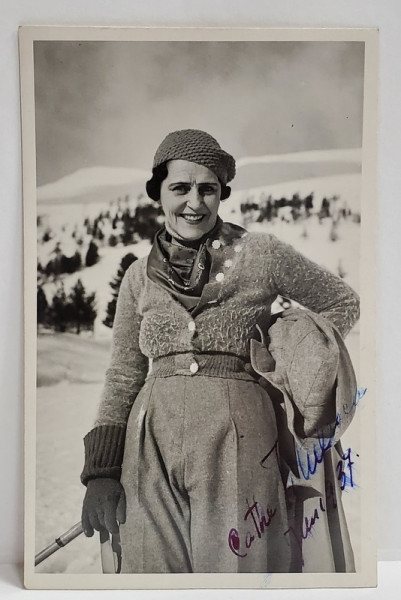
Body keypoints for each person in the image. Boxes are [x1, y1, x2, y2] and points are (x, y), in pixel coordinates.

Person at [80, 129, 360, 574]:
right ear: (159, 192)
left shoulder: (261, 253)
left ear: (221, 193)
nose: (194, 202)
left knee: (238, 572)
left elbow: (341, 301)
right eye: (180, 188)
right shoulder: (138, 276)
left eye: (207, 189)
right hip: (149, 444)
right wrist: (100, 472)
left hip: (241, 438)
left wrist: (291, 352)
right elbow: (122, 376)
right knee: (151, 574)